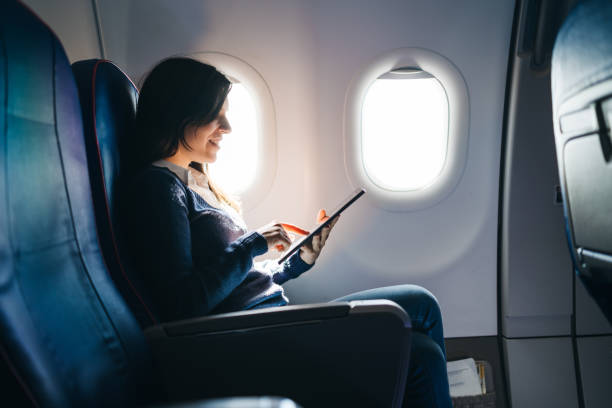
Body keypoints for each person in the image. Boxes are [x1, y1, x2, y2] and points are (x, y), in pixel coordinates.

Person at [122, 57, 452, 408]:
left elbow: (235, 280)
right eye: (215, 114)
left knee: (421, 304)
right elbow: (183, 304)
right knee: (420, 355)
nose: (227, 126)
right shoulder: (159, 188)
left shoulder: (197, 182)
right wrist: (253, 243)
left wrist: (293, 264)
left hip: (272, 323)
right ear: (179, 113)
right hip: (250, 342)